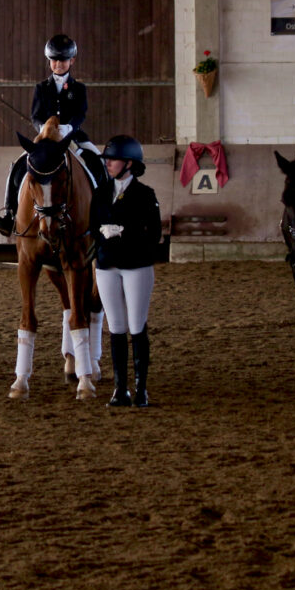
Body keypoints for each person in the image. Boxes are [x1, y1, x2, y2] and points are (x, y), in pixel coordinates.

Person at [0, 33, 99, 236]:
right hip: (46, 140)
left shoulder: (79, 88)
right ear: (50, 61)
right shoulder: (41, 88)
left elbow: (80, 113)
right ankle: (8, 214)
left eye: (63, 60)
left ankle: (103, 213)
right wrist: (43, 128)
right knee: (19, 166)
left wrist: (69, 128)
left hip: (72, 137)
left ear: (72, 61)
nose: (59, 64)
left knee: (97, 161)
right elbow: (35, 114)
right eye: (55, 60)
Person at [89, 135, 162, 407]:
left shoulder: (145, 195)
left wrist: (124, 232)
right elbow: (92, 226)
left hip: (136, 266)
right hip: (106, 265)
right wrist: (101, 233)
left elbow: (154, 234)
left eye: (113, 159)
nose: (108, 163)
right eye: (107, 159)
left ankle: (141, 388)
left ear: (129, 163)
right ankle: (121, 389)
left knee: (136, 325)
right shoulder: (99, 193)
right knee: (116, 327)